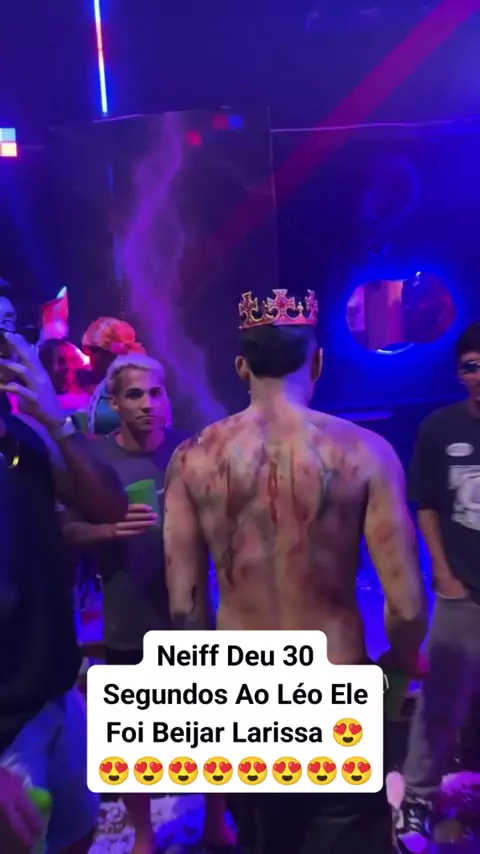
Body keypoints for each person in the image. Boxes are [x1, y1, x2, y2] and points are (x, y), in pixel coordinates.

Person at [163, 288, 428, 854]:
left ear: (241, 367)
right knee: (347, 834)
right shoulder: (366, 452)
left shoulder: (191, 459)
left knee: (265, 840)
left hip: (244, 693)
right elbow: (407, 606)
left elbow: (185, 607)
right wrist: (398, 667)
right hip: (337, 687)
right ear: (319, 362)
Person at [61, 353, 234, 854]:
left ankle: (216, 823)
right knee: (133, 738)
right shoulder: (94, 463)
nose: (147, 403)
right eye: (134, 394)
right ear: (114, 402)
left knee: (213, 732)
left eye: (155, 393)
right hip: (129, 618)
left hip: (195, 621)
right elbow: (66, 529)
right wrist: (108, 530)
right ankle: (143, 836)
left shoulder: (189, 454)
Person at [0, 331, 127, 854]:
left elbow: (107, 505)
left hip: (52, 693)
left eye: (12, 330)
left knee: (76, 834)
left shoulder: (21, 437)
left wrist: (57, 421)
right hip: (6, 730)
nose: (11, 346)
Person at [395, 322, 480, 853]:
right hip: (462, 592)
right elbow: (425, 503)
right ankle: (418, 799)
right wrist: (443, 573)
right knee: (440, 703)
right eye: (471, 367)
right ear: (459, 373)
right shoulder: (438, 428)